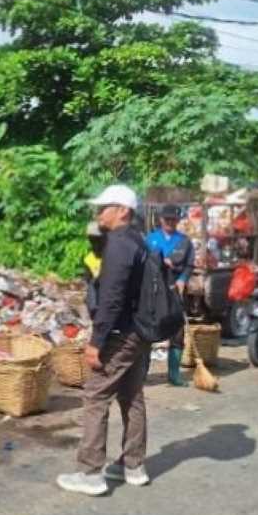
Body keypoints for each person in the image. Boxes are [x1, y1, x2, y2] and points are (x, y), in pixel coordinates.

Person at [58, 185, 152, 496]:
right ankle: (133, 466)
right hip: (140, 332)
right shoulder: (139, 241)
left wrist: (96, 342)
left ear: (122, 211)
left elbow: (111, 299)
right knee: (132, 396)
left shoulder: (118, 245)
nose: (98, 213)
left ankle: (90, 473)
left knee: (95, 396)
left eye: (104, 208)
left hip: (120, 334)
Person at [145, 205, 194, 386]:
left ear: (178, 221)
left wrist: (183, 279)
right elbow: (143, 261)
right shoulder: (150, 239)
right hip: (154, 292)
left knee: (177, 330)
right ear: (161, 220)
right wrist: (160, 261)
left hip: (175, 290)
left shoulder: (184, 242)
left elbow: (189, 265)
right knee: (149, 330)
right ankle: (142, 373)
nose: (170, 222)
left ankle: (174, 375)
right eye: (167, 219)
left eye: (173, 220)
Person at [83, 221, 105, 319]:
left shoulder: (112, 256)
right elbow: (88, 283)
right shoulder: (89, 259)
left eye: (98, 240)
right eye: (92, 241)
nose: (95, 244)